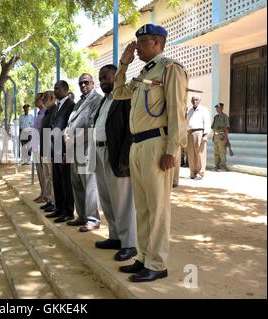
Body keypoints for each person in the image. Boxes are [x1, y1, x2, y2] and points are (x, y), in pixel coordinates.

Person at [113, 24, 188, 282]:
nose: (138, 47)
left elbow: (178, 112)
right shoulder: (144, 73)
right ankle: (144, 257)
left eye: (143, 42)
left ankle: (158, 263)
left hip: (157, 144)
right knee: (143, 207)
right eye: (138, 41)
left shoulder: (170, 69)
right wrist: (123, 65)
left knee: (158, 207)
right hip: (137, 145)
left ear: (158, 42)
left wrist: (173, 149)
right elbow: (118, 92)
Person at [88, 65, 137, 259]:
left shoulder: (125, 97)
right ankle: (115, 237)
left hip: (115, 153)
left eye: (105, 78)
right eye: (100, 79)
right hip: (99, 152)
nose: (102, 82)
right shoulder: (104, 101)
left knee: (122, 201)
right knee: (107, 198)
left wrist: (125, 156)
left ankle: (130, 243)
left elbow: (130, 128)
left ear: (117, 76)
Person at [64, 73, 102, 232]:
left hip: (87, 150)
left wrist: (75, 140)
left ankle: (93, 219)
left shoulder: (97, 101)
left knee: (90, 185)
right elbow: (70, 123)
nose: (83, 85)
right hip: (74, 150)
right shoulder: (78, 102)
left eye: (86, 82)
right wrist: (66, 136)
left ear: (93, 83)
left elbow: (93, 128)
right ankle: (81, 216)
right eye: (80, 83)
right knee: (77, 184)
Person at [46, 80, 75, 223]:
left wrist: (66, 152)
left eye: (57, 88)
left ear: (66, 89)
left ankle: (68, 212)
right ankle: (59, 208)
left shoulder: (71, 105)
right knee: (57, 180)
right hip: (54, 149)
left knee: (66, 182)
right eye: (54, 88)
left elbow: (69, 129)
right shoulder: (58, 107)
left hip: (63, 149)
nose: (55, 91)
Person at [39, 91, 57, 213]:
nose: (43, 100)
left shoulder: (55, 111)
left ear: (51, 98)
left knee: (52, 177)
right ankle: (49, 200)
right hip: (44, 149)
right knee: (47, 177)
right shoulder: (47, 112)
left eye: (45, 98)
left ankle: (55, 202)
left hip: (51, 150)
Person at [186, 95, 210, 180]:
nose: (194, 101)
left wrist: (205, 135)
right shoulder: (189, 110)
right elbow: (187, 122)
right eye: (193, 100)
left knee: (200, 154)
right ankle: (192, 173)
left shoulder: (204, 110)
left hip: (200, 132)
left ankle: (200, 173)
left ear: (199, 101)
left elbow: (207, 122)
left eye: (196, 100)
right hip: (190, 133)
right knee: (191, 154)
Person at [31, 93, 48, 204]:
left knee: (44, 172)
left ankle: (46, 195)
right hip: (36, 146)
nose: (36, 101)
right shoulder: (39, 113)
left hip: (42, 146)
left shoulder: (46, 113)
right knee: (39, 171)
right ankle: (42, 193)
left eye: (38, 99)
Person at [211, 103, 230, 171]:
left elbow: (227, 128)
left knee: (222, 152)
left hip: (222, 136)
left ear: (222, 108)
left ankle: (222, 167)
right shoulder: (215, 117)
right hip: (216, 136)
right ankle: (216, 166)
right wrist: (213, 136)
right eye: (216, 108)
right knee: (216, 152)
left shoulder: (225, 117)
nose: (217, 109)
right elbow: (213, 127)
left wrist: (226, 137)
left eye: (218, 108)